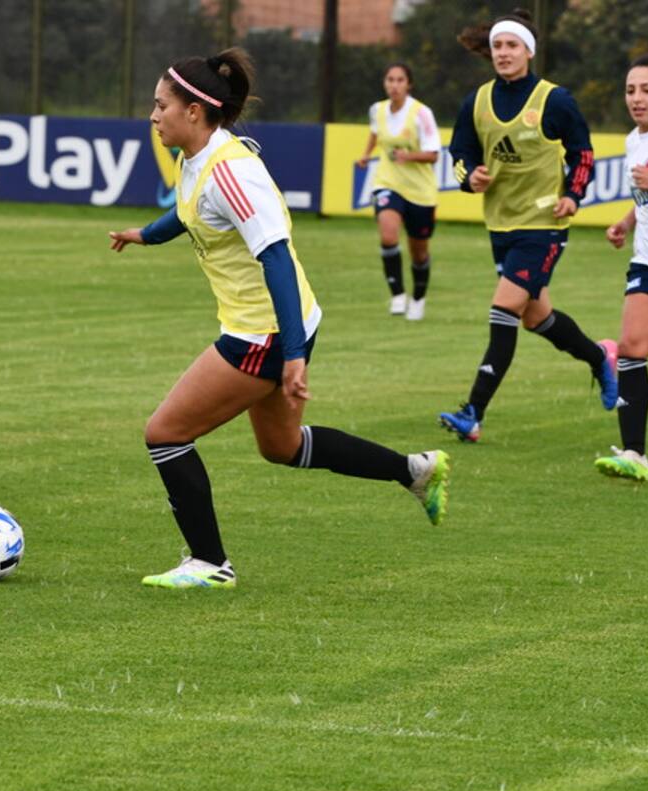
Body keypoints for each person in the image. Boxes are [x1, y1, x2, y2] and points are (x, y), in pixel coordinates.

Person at [108, 48, 450, 590]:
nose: (153, 115)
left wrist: (292, 354)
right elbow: (191, 210)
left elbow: (277, 258)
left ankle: (209, 563)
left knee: (165, 433)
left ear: (194, 111)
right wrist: (144, 235)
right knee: (282, 448)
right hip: (270, 327)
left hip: (263, 333)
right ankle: (414, 470)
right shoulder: (198, 159)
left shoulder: (233, 172)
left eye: (160, 105)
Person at [437, 9, 617, 443]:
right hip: (501, 224)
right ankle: (599, 358)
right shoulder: (476, 101)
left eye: (512, 45)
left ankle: (473, 412)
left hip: (543, 225)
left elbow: (583, 152)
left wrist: (573, 193)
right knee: (537, 317)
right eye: (498, 46)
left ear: (528, 52)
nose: (503, 53)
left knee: (504, 310)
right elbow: (459, 151)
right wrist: (471, 174)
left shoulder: (554, 100)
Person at [594, 56, 648, 482]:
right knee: (632, 348)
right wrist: (625, 220)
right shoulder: (633, 141)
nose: (636, 98)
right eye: (630, 90)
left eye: (647, 89)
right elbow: (647, 198)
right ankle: (635, 455)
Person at [356, 62, 441, 320]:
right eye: (390, 80)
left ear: (409, 84)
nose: (394, 85)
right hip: (388, 181)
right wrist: (366, 154)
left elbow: (434, 155)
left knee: (419, 251)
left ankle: (418, 297)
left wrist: (409, 155)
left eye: (400, 80)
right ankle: (397, 294)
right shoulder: (377, 110)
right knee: (388, 234)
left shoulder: (421, 113)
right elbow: (374, 133)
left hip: (420, 190)